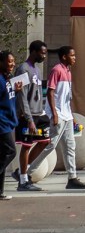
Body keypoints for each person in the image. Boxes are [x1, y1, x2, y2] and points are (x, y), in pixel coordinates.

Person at [27, 45, 85, 189]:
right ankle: (27, 173)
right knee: (51, 145)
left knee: (70, 147)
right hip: (57, 115)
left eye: (75, 55)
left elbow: (66, 98)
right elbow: (50, 92)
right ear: (64, 57)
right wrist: (54, 114)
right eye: (72, 56)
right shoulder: (57, 70)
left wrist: (71, 116)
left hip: (66, 116)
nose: (75, 58)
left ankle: (72, 178)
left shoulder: (68, 71)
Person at [13, 40, 51, 192]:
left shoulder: (37, 69)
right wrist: (29, 119)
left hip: (38, 113)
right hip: (26, 115)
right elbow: (21, 96)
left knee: (45, 141)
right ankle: (23, 181)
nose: (44, 56)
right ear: (34, 52)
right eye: (42, 53)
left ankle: (23, 170)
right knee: (26, 146)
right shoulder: (23, 69)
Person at [1, 51, 21, 201]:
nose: (12, 64)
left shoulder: (7, 79)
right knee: (10, 151)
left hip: (8, 122)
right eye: (9, 61)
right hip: (2, 124)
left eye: (13, 61)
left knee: (2, 155)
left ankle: (0, 192)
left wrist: (15, 90)